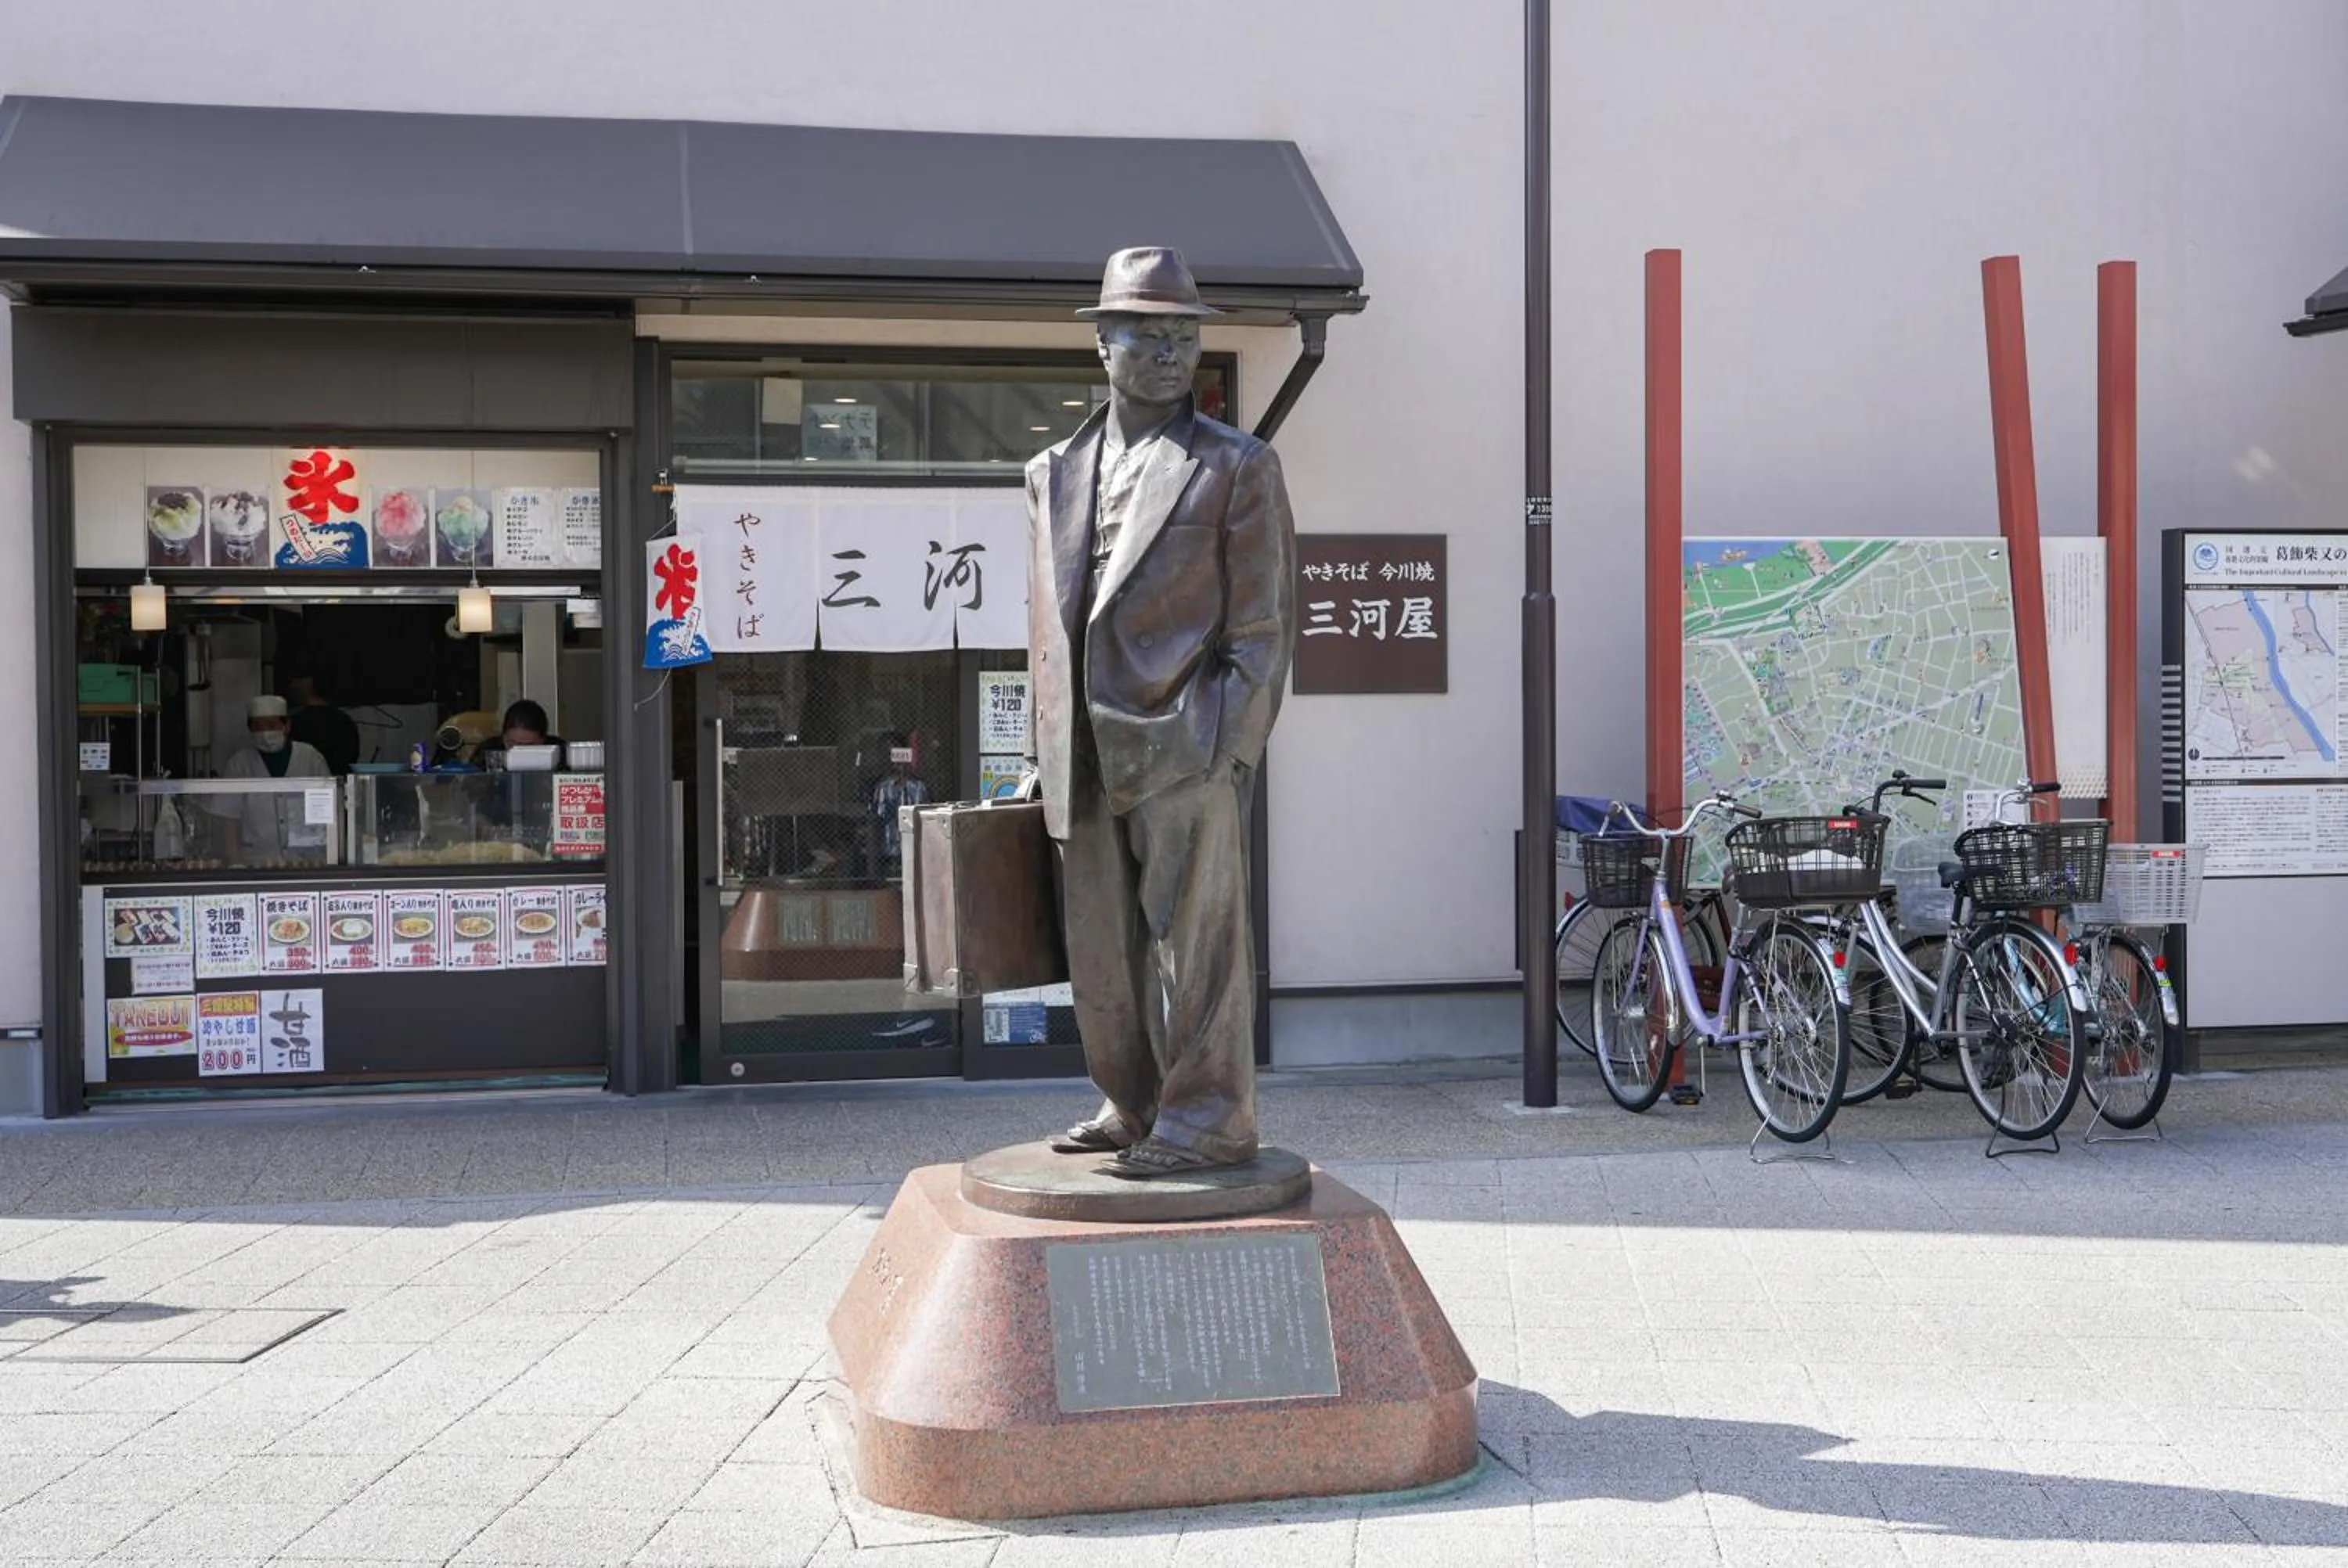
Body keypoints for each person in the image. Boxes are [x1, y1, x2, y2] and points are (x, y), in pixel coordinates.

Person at [1022, 247, 1298, 1179]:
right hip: (1083, 752)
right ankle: (1134, 1100)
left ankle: (1213, 1117)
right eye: (1150, 332)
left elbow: (1264, 629)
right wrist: (1044, 739)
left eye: (1186, 334)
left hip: (1184, 742)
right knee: (1102, 950)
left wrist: (1220, 745)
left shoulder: (1237, 466)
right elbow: (1048, 624)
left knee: (1201, 947)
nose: (1173, 350)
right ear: (1104, 344)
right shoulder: (1052, 469)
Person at [219, 694, 333, 858]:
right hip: (257, 861)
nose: (265, 733)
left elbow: (328, 810)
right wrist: (235, 861)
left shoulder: (310, 758)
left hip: (306, 859)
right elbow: (228, 818)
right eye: (258, 727)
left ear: (286, 726)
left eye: (271, 725)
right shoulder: (239, 764)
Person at [286, 672, 362, 775]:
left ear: (309, 683)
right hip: (340, 787)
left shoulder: (294, 725)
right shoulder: (346, 722)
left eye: (295, 680)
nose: (292, 686)